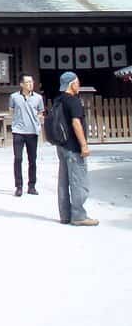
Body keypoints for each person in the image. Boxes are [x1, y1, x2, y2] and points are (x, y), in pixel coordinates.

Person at [54, 71, 98, 226]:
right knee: (78, 180)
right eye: (77, 82)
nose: (79, 85)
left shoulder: (58, 100)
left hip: (61, 146)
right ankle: (79, 216)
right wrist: (84, 145)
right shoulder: (73, 101)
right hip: (73, 147)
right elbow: (76, 123)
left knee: (63, 181)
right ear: (72, 84)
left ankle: (65, 215)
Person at [9, 73, 44, 196]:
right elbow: (11, 111)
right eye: (28, 82)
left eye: (32, 82)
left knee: (32, 160)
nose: (30, 84)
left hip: (32, 132)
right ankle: (19, 186)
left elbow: (41, 112)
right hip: (18, 131)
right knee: (18, 159)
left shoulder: (38, 98)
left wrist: (38, 123)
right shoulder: (14, 97)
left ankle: (32, 186)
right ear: (21, 84)